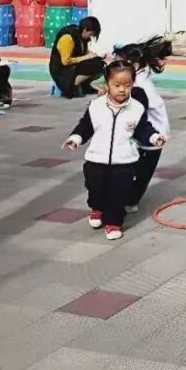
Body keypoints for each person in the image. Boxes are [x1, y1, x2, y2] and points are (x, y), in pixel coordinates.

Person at [62, 60, 166, 240]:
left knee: (119, 194)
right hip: (96, 160)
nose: (122, 90)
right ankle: (97, 207)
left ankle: (114, 223)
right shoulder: (96, 106)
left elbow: (143, 129)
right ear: (107, 83)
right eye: (117, 85)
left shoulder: (137, 108)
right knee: (95, 189)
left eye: (127, 85)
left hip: (125, 162)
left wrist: (154, 137)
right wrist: (75, 138)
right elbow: (85, 126)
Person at [124, 37, 173, 213]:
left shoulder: (139, 85)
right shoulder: (140, 77)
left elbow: (137, 114)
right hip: (150, 132)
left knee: (141, 172)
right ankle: (127, 199)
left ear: (134, 64)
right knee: (136, 169)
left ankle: (130, 201)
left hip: (151, 134)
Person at [49, 16, 104, 99]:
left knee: (100, 62)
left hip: (73, 66)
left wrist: (96, 55)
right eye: (91, 34)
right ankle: (73, 85)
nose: (91, 36)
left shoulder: (81, 36)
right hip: (62, 70)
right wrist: (86, 57)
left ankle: (84, 85)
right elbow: (65, 61)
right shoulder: (67, 38)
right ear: (85, 29)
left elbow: (83, 51)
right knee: (95, 65)